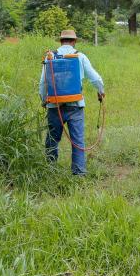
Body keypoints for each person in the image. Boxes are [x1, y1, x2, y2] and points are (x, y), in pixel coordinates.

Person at [39, 29, 105, 175]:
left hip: (54, 106)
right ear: (74, 41)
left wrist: (44, 100)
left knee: (52, 139)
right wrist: (101, 91)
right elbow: (96, 78)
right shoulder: (80, 56)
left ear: (60, 41)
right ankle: (79, 173)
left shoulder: (50, 57)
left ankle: (50, 170)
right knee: (77, 141)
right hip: (75, 106)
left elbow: (43, 83)